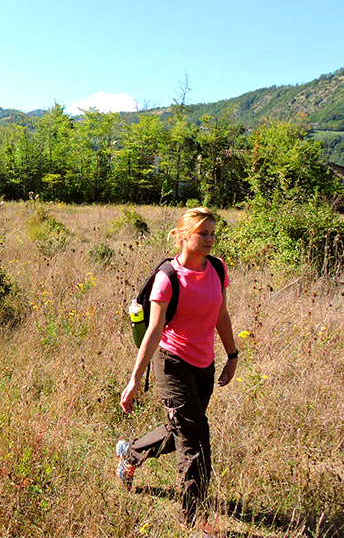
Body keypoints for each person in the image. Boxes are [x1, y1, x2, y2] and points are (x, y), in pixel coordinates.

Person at [117, 207, 239, 526]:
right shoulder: (167, 278)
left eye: (213, 233)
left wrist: (233, 355)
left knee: (180, 432)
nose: (210, 239)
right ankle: (192, 519)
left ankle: (130, 454)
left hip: (205, 365)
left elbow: (221, 317)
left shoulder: (217, 268)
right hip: (172, 363)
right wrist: (133, 380)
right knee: (196, 439)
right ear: (183, 235)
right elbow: (154, 332)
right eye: (203, 233)